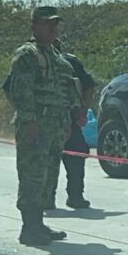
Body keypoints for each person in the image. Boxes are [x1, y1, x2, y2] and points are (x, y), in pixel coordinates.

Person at [8, 6, 79, 246]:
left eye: (55, 24)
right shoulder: (27, 54)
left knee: (48, 176)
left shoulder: (55, 54)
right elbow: (21, 90)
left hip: (55, 124)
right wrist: (29, 120)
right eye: (47, 24)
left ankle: (38, 224)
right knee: (32, 176)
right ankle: (29, 228)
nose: (52, 28)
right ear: (34, 27)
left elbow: (64, 92)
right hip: (36, 124)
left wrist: (66, 121)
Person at [49, 41, 97, 210]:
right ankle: (47, 198)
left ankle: (76, 196)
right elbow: (11, 88)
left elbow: (88, 86)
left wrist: (83, 111)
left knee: (76, 156)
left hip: (70, 120)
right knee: (46, 162)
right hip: (44, 123)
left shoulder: (69, 63)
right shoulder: (29, 61)